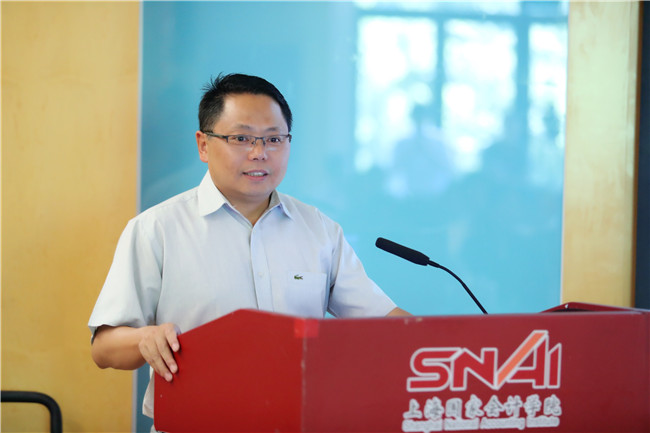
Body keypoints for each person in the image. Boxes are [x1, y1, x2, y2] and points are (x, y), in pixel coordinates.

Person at [88, 73, 410, 419]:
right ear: (203, 145)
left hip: (298, 422)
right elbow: (104, 348)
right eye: (241, 138)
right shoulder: (157, 228)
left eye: (274, 139)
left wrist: (443, 341)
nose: (260, 153)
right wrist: (144, 339)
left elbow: (386, 324)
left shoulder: (319, 229)